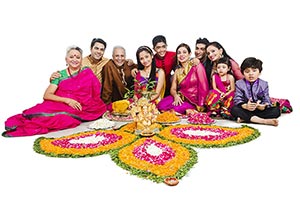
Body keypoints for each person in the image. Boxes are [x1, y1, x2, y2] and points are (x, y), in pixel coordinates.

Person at [3, 46, 107, 137]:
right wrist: (67, 100)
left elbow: (94, 92)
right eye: (71, 57)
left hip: (82, 107)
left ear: (81, 60)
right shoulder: (59, 75)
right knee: (40, 114)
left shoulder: (86, 72)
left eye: (78, 57)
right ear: (66, 59)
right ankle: (21, 124)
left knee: (65, 120)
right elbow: (47, 95)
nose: (74, 59)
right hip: (61, 104)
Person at [157, 43, 209, 114]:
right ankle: (185, 110)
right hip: (181, 98)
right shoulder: (177, 71)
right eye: (179, 53)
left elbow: (204, 86)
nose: (181, 55)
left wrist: (201, 106)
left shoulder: (196, 65)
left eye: (184, 52)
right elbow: (173, 89)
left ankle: (190, 109)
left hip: (194, 101)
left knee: (175, 108)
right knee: (161, 105)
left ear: (189, 54)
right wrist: (175, 96)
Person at [230, 57, 281, 126]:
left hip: (259, 110)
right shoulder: (239, 83)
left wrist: (263, 106)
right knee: (234, 109)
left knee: (276, 111)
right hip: (246, 109)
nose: (251, 74)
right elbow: (237, 99)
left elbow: (266, 99)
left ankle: (246, 119)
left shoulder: (264, 84)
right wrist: (245, 106)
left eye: (254, 71)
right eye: (247, 71)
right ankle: (263, 121)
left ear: (259, 72)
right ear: (243, 73)